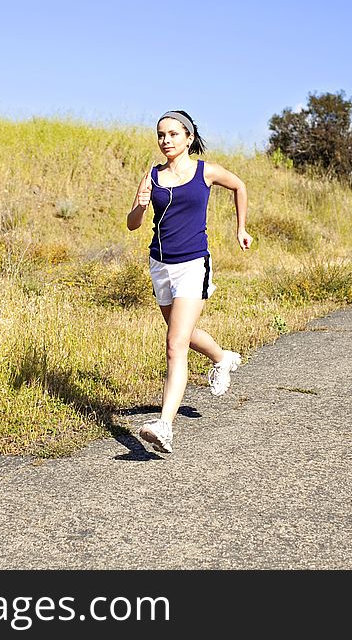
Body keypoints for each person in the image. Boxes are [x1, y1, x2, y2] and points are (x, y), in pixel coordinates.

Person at [126, 110, 252, 453]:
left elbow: (239, 185)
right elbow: (133, 224)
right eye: (161, 135)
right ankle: (223, 358)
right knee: (182, 333)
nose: (166, 141)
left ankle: (164, 425)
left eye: (173, 134)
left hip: (193, 263)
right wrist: (139, 206)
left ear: (189, 138)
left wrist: (240, 228)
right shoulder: (151, 176)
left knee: (174, 344)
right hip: (160, 265)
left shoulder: (205, 171)